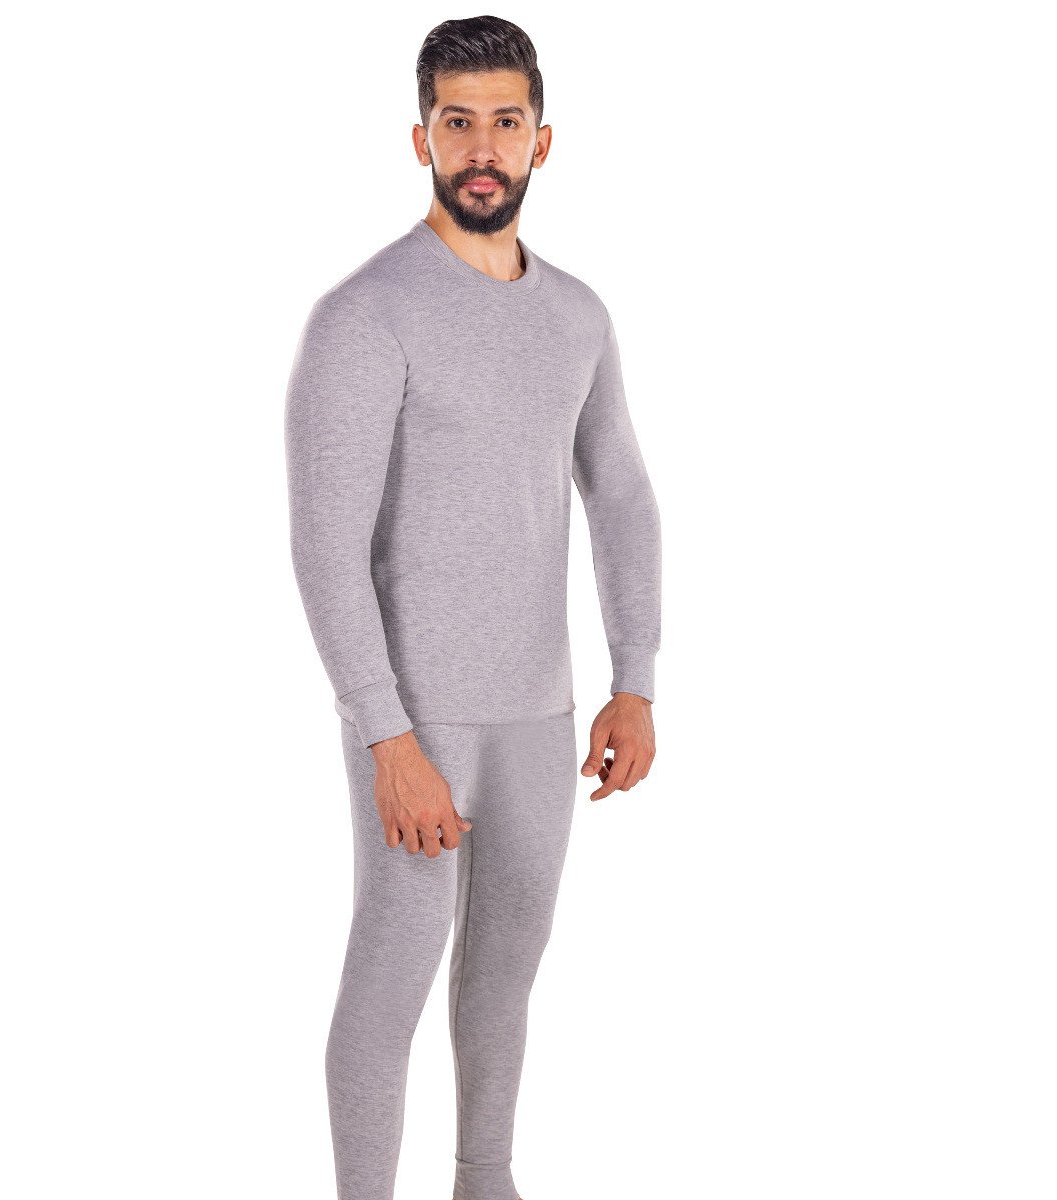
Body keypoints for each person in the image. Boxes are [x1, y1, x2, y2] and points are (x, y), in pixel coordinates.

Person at [283, 16, 661, 1200]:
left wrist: (636, 679)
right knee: (393, 976)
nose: (482, 148)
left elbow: (622, 491)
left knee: (506, 976)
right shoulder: (367, 314)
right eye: (458, 123)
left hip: (541, 718)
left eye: (505, 122)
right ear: (422, 139)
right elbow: (325, 547)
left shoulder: (578, 316)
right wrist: (386, 736)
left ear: (543, 140)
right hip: (421, 720)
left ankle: (484, 1182)